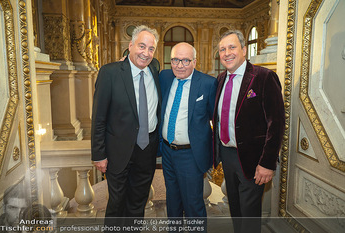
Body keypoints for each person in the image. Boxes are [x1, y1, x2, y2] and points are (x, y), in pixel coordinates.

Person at [212, 30, 285, 233]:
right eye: (222, 49)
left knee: (250, 213)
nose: (227, 53)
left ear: (244, 50)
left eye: (232, 47)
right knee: (235, 209)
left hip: (254, 160)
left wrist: (267, 163)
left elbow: (276, 124)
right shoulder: (220, 80)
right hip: (227, 156)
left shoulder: (264, 77)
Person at [91, 25, 161, 230]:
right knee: (116, 203)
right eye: (141, 46)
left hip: (146, 150)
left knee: (138, 203)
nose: (145, 53)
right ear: (130, 46)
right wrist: (98, 154)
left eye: (151, 49)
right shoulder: (110, 73)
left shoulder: (155, 69)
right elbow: (98, 117)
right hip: (117, 151)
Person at [160, 42, 217, 223]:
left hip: (190, 155)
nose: (180, 65)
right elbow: (147, 64)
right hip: (167, 152)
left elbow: (215, 118)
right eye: (175, 60)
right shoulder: (165, 76)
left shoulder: (208, 84)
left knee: (193, 205)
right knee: (172, 202)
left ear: (194, 61)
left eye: (185, 60)